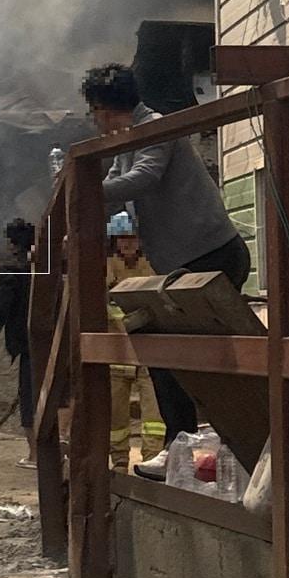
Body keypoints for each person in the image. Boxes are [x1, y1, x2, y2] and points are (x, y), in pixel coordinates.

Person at [81, 63, 251, 479]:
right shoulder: (128, 140)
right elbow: (119, 187)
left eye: (93, 112)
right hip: (185, 262)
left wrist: (80, 184)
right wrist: (85, 224)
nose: (95, 121)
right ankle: (181, 447)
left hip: (212, 255)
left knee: (193, 356)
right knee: (159, 345)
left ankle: (206, 446)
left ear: (103, 108)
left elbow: (143, 178)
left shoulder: (157, 128)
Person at [105, 210, 165, 473]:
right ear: (115, 240)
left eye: (132, 238)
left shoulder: (152, 264)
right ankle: (119, 460)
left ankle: (152, 458)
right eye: (122, 238)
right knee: (116, 416)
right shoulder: (106, 266)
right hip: (117, 353)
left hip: (148, 352)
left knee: (155, 415)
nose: (127, 243)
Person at [0, 216, 36, 465]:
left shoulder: (11, 268)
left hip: (26, 342)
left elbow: (1, 305)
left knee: (30, 398)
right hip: (50, 341)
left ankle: (35, 454)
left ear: (13, 243)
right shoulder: (46, 265)